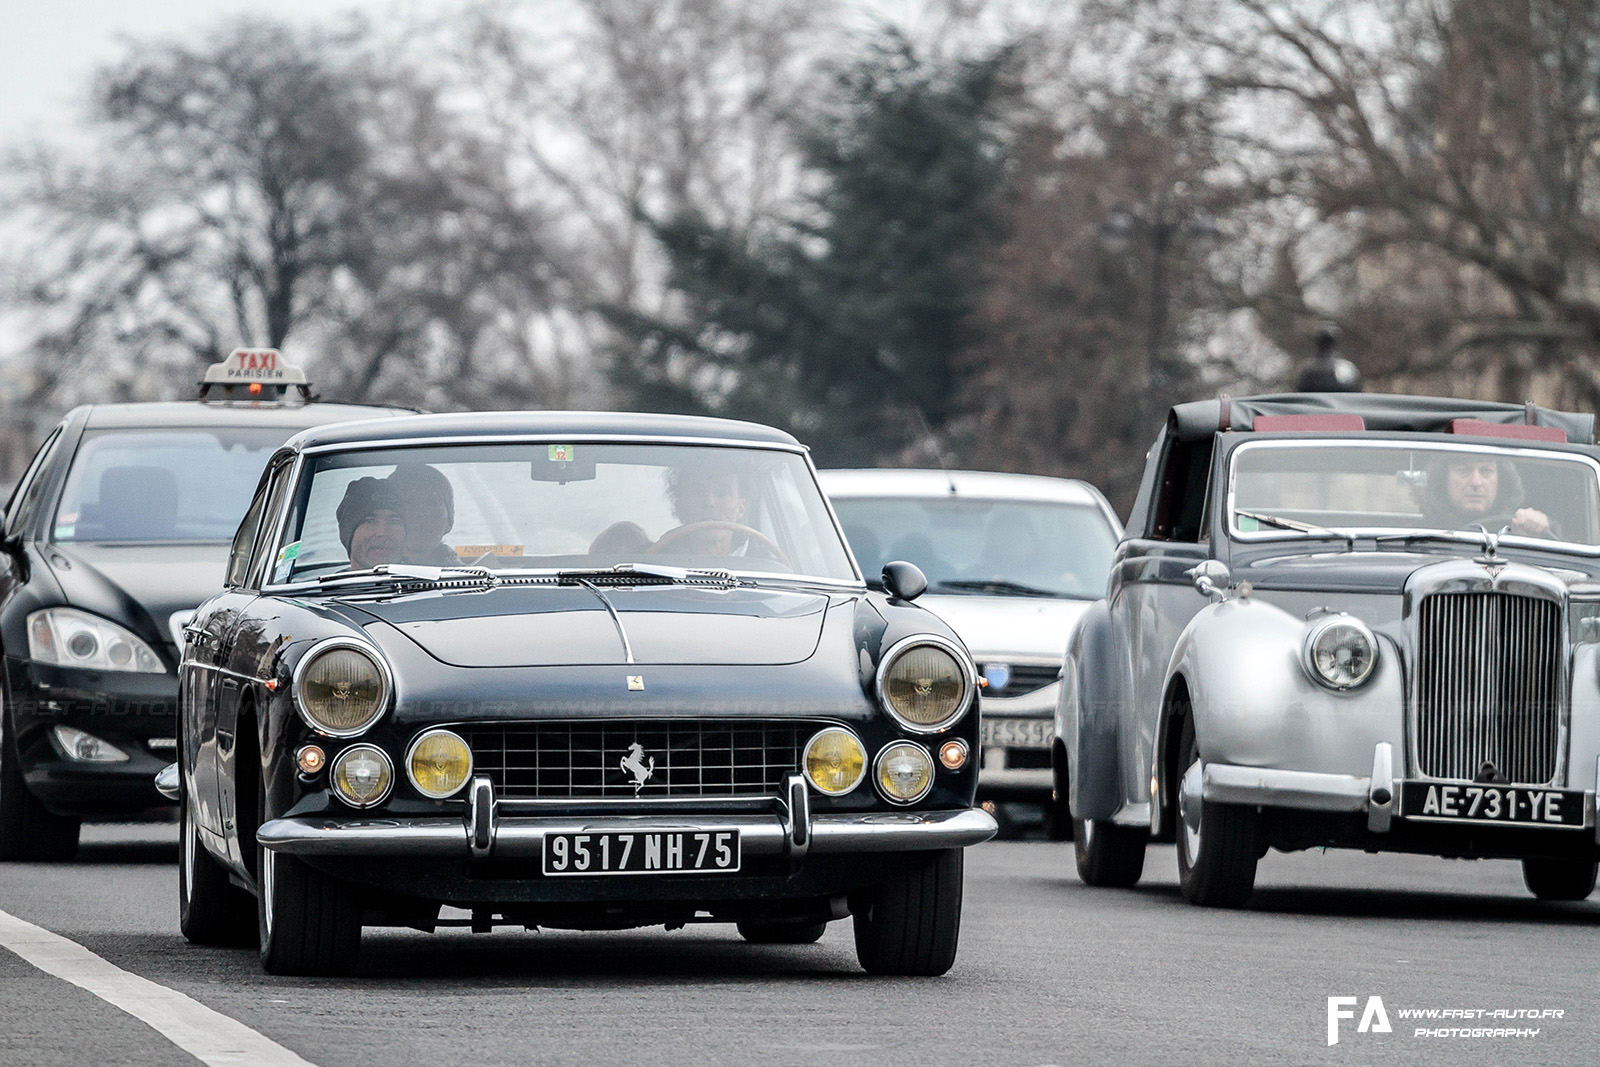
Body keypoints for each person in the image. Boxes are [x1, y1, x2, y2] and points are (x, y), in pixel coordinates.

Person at [1423, 456, 1552, 537]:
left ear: (1501, 480)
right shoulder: (1424, 536)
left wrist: (1538, 527)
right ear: (1443, 479)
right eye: (1463, 470)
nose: (1476, 483)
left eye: (1486, 471)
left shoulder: (1521, 528)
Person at [657, 460, 753, 555]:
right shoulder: (651, 561)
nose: (710, 502)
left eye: (722, 493)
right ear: (679, 507)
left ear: (741, 508)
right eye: (698, 492)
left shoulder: (765, 563)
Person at [386, 462, 459, 565]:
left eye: (432, 503)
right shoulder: (364, 577)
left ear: (449, 522)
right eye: (409, 503)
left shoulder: (474, 578)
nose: (421, 514)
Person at [336, 477, 407, 570]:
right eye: (370, 521)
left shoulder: (428, 582)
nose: (382, 532)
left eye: (394, 522)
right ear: (348, 533)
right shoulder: (319, 584)